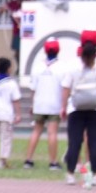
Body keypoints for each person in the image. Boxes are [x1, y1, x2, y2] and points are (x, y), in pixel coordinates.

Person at [60, 34, 96, 186]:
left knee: (74, 141)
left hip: (76, 107)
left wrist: (63, 106)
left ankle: (71, 174)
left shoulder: (72, 64)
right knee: (95, 142)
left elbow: (66, 87)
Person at [22, 40, 64, 170]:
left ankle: (28, 160)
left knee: (36, 131)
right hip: (54, 104)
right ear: (58, 50)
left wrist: (32, 104)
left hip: (39, 104)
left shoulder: (38, 66)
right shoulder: (61, 67)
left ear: (45, 51)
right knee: (52, 132)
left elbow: (33, 88)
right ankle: (53, 162)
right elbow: (64, 87)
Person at [0, 0, 26, 66]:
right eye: (19, 0)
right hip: (17, 32)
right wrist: (4, 9)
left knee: (24, 50)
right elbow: (1, 10)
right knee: (17, 51)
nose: (20, 1)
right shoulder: (13, 4)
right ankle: (19, 67)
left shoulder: (28, 3)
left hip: (27, 32)